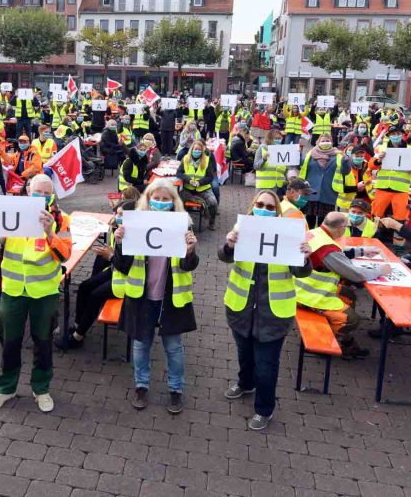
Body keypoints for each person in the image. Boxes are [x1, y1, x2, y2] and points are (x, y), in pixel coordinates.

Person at [219, 190, 312, 430]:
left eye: (270, 207)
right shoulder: (242, 228)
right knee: (245, 354)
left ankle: (264, 409)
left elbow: (301, 273)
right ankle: (245, 383)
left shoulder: (288, 234)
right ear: (253, 205)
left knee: (267, 365)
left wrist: (304, 257)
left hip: (274, 313)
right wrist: (229, 245)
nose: (265, 209)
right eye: (260, 204)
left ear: (277, 211)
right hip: (241, 307)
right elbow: (224, 258)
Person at [0, 174, 72, 413]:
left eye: (46, 192)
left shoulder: (61, 220)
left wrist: (50, 233)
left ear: (52, 195)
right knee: (9, 341)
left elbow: (65, 255)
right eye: (37, 191)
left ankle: (41, 388)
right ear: (28, 192)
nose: (41, 196)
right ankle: (6, 388)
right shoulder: (12, 214)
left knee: (44, 341)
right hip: (13, 289)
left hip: (45, 291)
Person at [112, 179, 199, 414]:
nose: (161, 203)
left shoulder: (183, 225)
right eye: (156, 199)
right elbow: (120, 265)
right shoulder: (134, 225)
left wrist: (190, 251)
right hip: (141, 295)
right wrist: (119, 244)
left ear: (174, 202)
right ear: (147, 200)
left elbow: (189, 265)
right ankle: (141, 386)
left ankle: (176, 390)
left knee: (173, 346)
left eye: (166, 199)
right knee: (141, 344)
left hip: (171, 297)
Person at [295, 212, 391, 358]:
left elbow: (337, 253)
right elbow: (355, 275)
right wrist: (381, 270)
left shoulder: (316, 233)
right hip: (310, 298)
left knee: (348, 295)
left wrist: (362, 251)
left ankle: (345, 341)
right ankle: (323, 343)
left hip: (302, 290)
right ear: (340, 228)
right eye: (345, 227)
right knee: (352, 320)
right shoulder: (327, 248)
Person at [58, 200, 135, 350]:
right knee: (84, 286)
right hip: (116, 272)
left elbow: (127, 267)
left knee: (95, 296)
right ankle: (77, 325)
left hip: (127, 282)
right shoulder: (119, 229)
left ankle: (78, 337)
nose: (116, 217)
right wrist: (111, 255)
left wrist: (111, 256)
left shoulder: (134, 236)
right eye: (116, 213)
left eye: (120, 215)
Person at [369, 125, 411, 245]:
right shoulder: (381, 148)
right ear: (388, 136)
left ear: (403, 134)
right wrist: (378, 160)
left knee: (400, 219)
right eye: (393, 134)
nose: (396, 136)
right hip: (383, 187)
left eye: (398, 133)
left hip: (400, 189)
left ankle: (398, 247)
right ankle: (374, 241)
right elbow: (371, 165)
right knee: (376, 216)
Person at [299, 132, 350, 228]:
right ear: (317, 142)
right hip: (311, 193)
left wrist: (346, 160)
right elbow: (300, 165)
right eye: (323, 141)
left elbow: (346, 172)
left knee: (324, 225)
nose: (325, 142)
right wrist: (300, 151)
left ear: (332, 142)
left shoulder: (338, 156)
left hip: (328, 194)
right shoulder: (310, 154)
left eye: (328, 141)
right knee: (309, 222)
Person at [177, 139, 218, 229]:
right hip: (188, 188)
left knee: (213, 203)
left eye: (199, 150)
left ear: (202, 151)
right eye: (195, 149)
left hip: (203, 188)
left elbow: (210, 177)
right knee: (177, 201)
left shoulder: (207, 160)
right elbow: (179, 173)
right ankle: (181, 221)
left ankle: (212, 221)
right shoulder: (185, 159)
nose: (197, 151)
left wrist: (200, 183)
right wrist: (189, 180)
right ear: (192, 149)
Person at [253, 129, 286, 196]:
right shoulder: (262, 148)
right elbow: (256, 166)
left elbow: (285, 168)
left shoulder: (283, 150)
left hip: (278, 186)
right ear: (270, 139)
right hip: (264, 186)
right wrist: (264, 159)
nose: (278, 140)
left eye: (279, 138)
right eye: (276, 138)